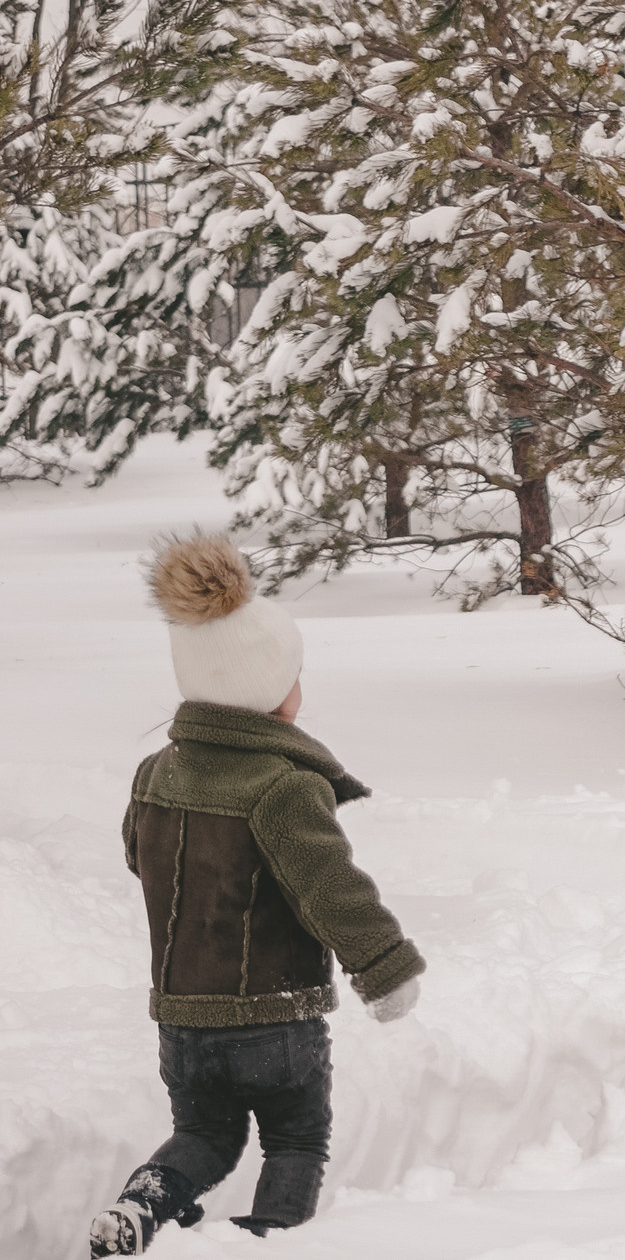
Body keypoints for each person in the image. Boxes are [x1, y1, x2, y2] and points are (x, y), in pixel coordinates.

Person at [90, 534, 427, 1254]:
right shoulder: (284, 785)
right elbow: (329, 887)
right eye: (295, 675)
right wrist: (386, 967)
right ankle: (272, 1240)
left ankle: (138, 1209)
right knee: (296, 1137)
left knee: (204, 1134)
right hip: (276, 1016)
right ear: (273, 691)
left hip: (182, 1017)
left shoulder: (156, 771)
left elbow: (135, 855)